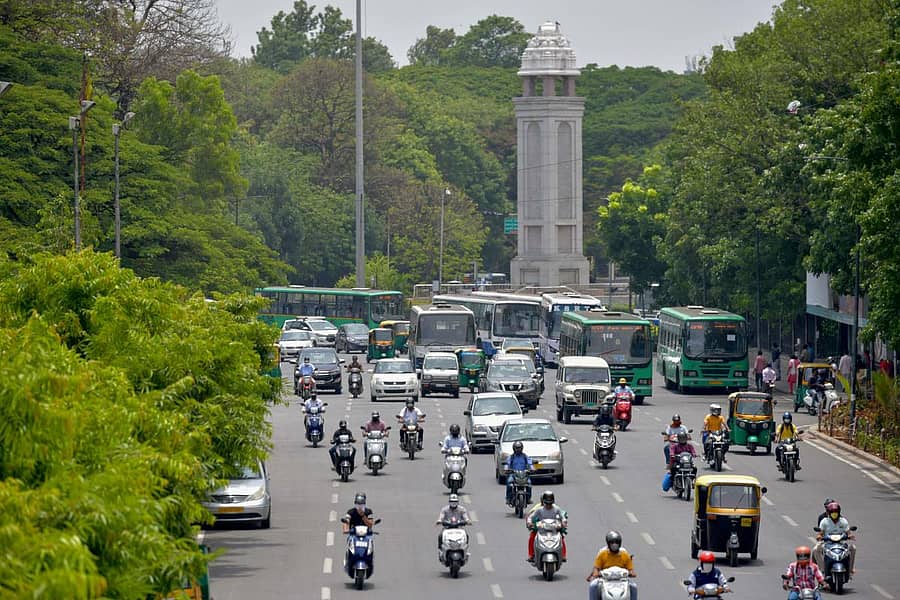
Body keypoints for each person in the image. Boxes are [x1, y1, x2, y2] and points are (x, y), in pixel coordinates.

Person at [587, 530, 637, 600]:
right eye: (612, 543)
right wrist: (596, 573)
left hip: (621, 580)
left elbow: (631, 569)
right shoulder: (602, 554)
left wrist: (631, 573)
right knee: (593, 585)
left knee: (633, 586)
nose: (614, 545)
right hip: (605, 579)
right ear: (608, 544)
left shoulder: (625, 555)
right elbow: (596, 567)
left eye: (616, 542)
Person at [814, 502, 855, 575]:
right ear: (829, 513)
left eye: (836, 512)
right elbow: (820, 533)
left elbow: (848, 532)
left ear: (839, 512)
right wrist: (819, 537)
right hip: (827, 543)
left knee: (853, 548)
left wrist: (850, 536)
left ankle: (850, 570)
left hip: (841, 543)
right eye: (832, 512)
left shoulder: (843, 521)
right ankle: (822, 570)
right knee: (816, 550)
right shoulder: (825, 521)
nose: (834, 514)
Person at [527, 491, 567, 562]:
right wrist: (530, 523)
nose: (548, 506)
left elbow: (563, 516)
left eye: (550, 503)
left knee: (561, 536)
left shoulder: (556, 509)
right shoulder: (539, 509)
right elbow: (530, 516)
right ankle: (532, 554)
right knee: (532, 536)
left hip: (554, 528)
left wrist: (563, 522)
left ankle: (563, 555)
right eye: (546, 503)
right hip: (542, 528)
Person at [504, 441, 534, 505]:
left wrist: (531, 468)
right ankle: (508, 498)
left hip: (524, 474)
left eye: (519, 448)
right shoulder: (511, 457)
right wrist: (506, 469)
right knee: (509, 483)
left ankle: (528, 498)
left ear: (522, 448)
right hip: (513, 474)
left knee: (529, 484)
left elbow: (530, 463)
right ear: (514, 448)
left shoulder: (525, 456)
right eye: (516, 448)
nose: (518, 449)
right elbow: (507, 463)